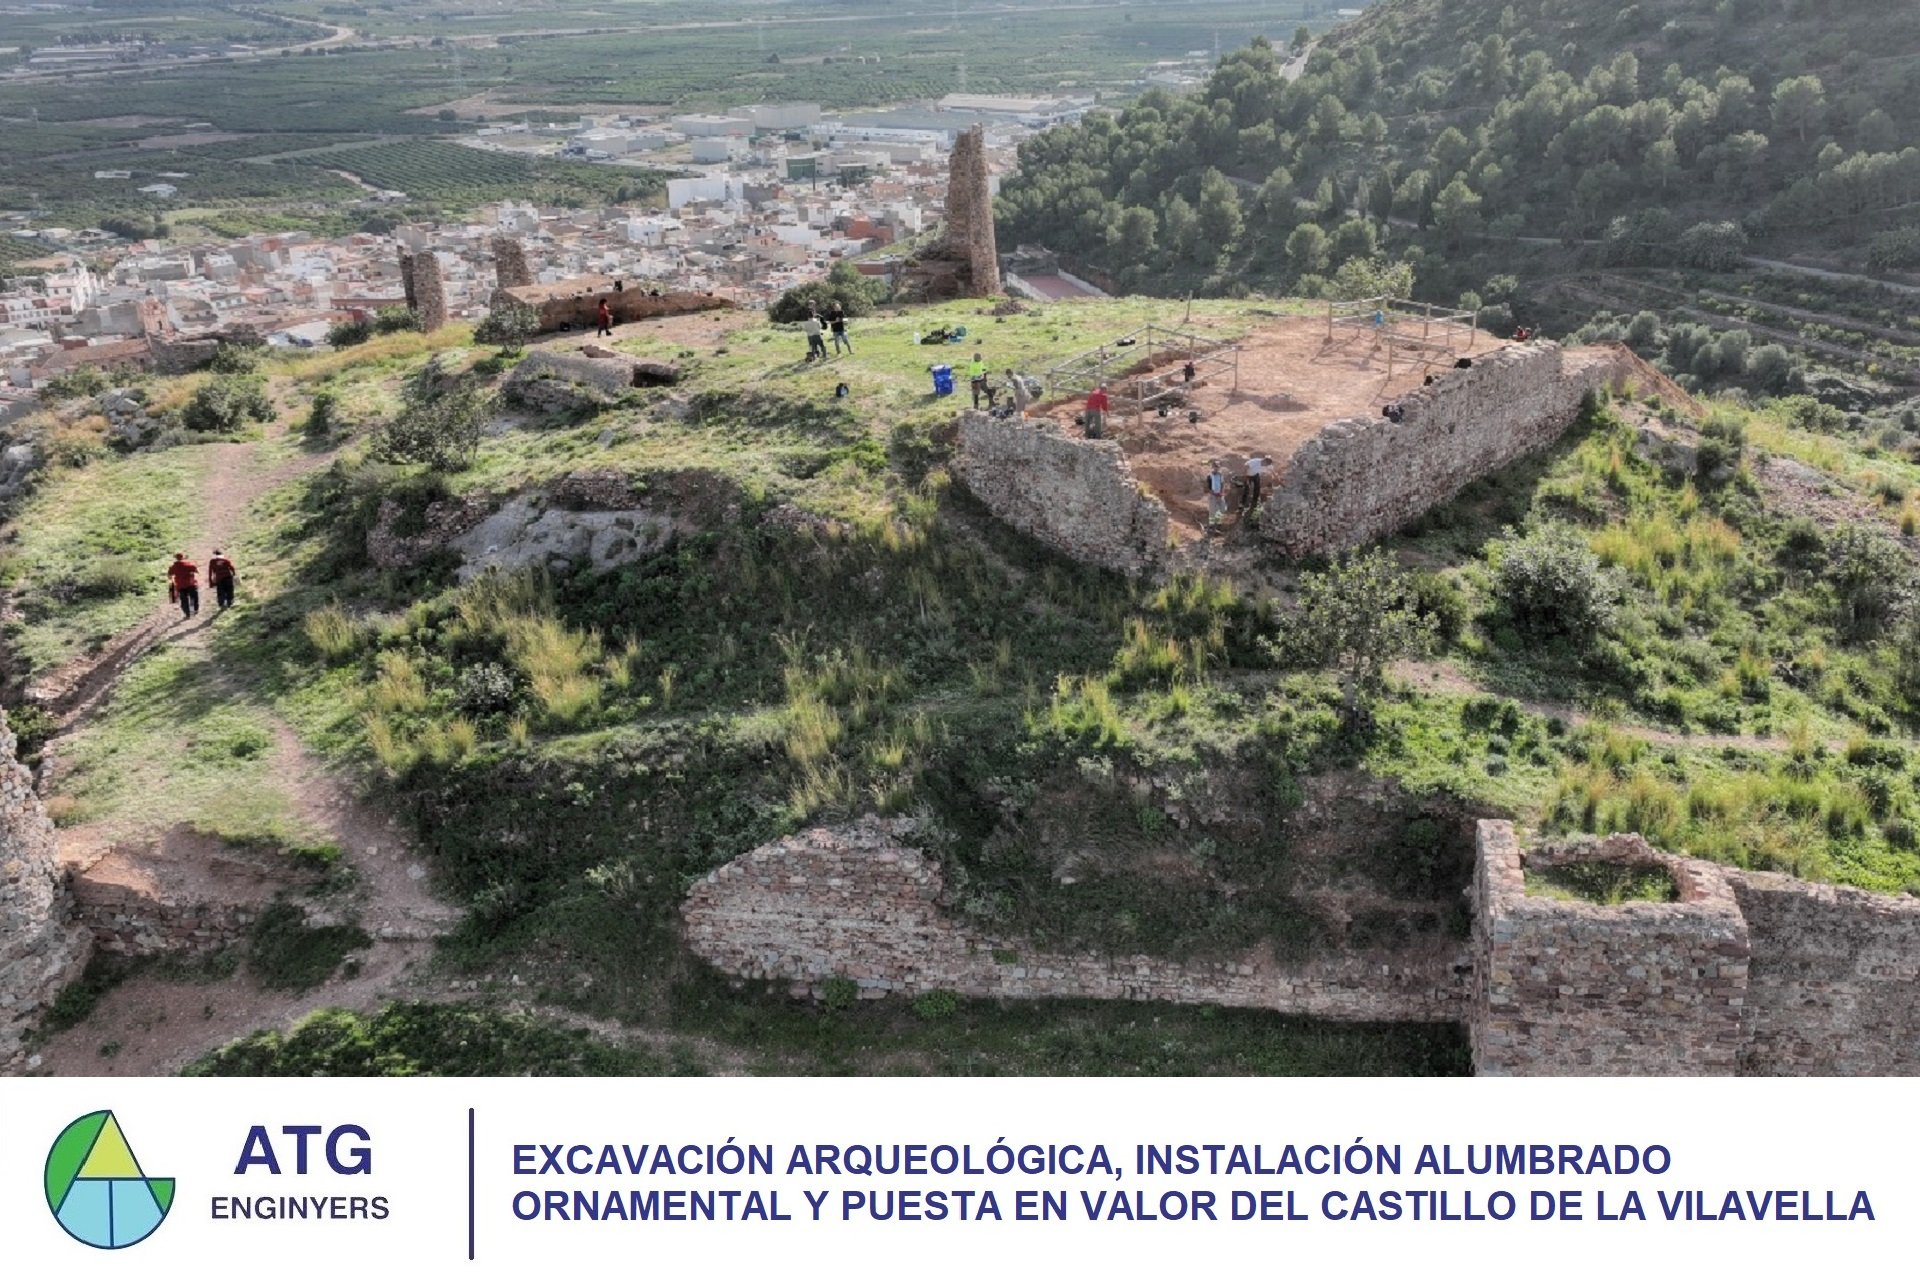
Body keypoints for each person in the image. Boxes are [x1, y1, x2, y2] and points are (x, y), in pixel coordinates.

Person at [166, 552, 200, 620]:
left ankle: (187, 614)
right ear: (183, 557)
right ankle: (195, 609)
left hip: (180, 585)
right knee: (194, 597)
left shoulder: (173, 567)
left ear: (176, 558)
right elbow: (196, 571)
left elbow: (169, 576)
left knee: (184, 600)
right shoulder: (189, 564)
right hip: (190, 584)